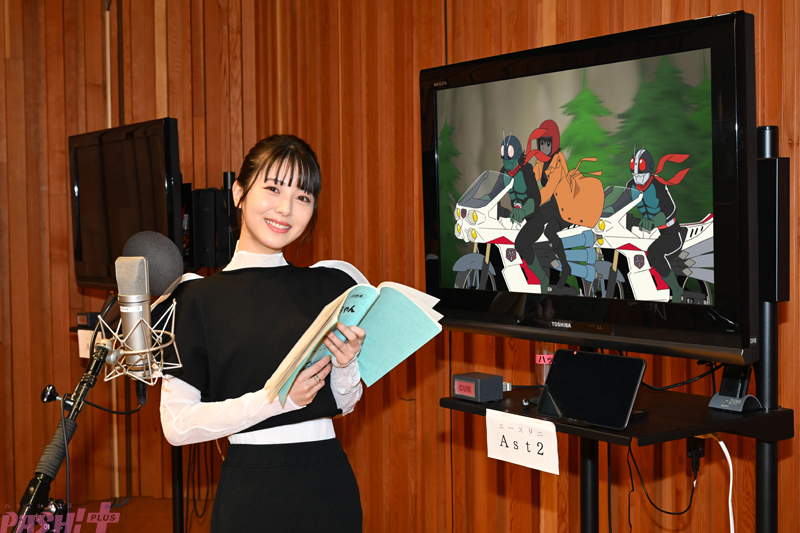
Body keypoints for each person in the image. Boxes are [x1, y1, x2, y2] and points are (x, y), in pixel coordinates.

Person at [159, 134, 366, 531]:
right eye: (273, 189)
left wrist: (346, 363)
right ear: (239, 192)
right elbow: (177, 425)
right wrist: (276, 399)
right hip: (251, 489)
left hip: (329, 484)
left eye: (302, 197)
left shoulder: (331, 285)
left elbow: (344, 403)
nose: (285, 208)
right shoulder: (195, 297)